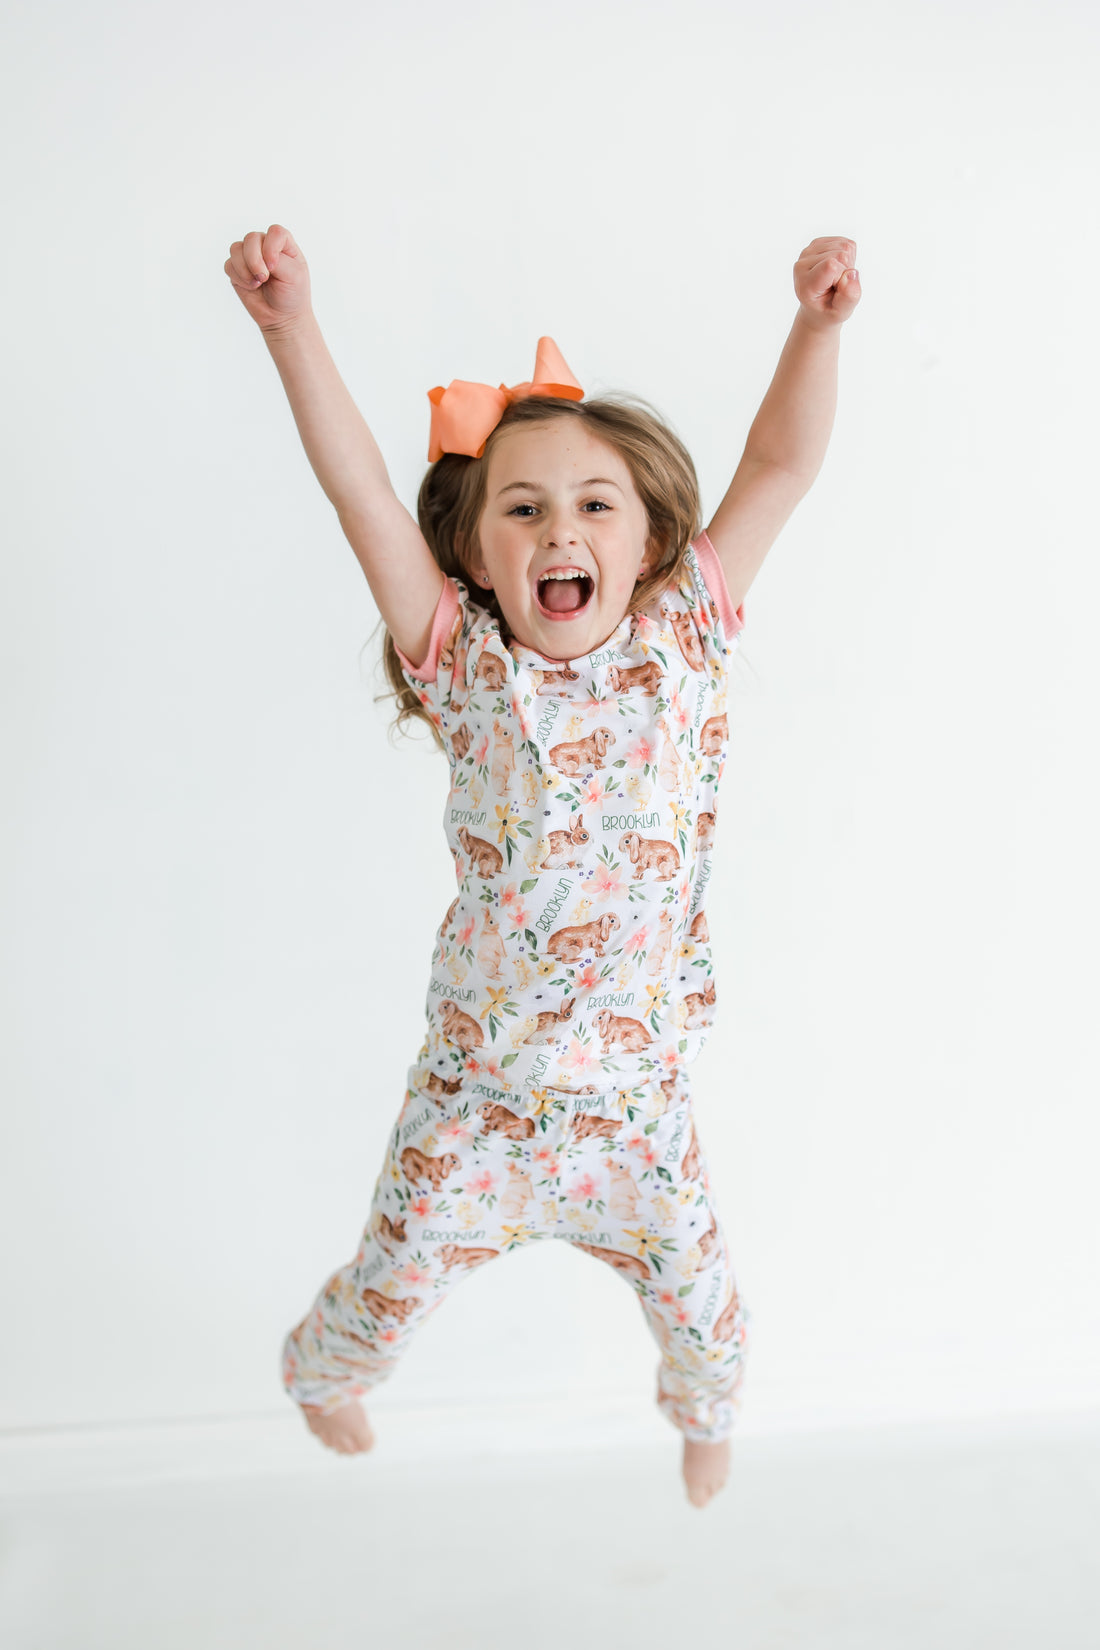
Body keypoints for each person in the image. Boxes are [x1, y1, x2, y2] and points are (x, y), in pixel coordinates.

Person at [223, 224, 860, 1507]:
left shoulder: (684, 632)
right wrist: (291, 327)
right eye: (521, 509)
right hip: (476, 1107)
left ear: (645, 543)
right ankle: (324, 1375)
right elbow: (357, 492)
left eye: (590, 505)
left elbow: (781, 461)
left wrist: (816, 327)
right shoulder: (464, 663)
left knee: (703, 1300)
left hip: (637, 1108)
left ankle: (705, 1413)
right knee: (386, 1278)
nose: (557, 529)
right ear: (473, 557)